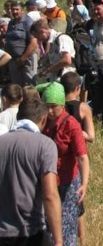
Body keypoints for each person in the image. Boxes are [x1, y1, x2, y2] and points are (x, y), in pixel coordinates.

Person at [0, 97, 63, 246]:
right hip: (31, 232)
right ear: (43, 119)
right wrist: (59, 240)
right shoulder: (45, 145)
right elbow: (50, 195)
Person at [40, 82, 89, 246]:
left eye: (53, 107)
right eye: (47, 107)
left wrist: (84, 183)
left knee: (67, 226)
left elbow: (82, 156)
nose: (50, 111)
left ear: (62, 105)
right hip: (48, 179)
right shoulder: (42, 123)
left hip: (68, 180)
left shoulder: (71, 124)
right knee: (48, 224)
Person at [32, 17, 76, 83]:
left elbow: (67, 60)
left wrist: (48, 70)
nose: (38, 40)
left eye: (37, 37)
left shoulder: (62, 38)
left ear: (42, 31)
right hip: (56, 80)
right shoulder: (52, 43)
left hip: (67, 79)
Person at [6, 0, 38, 86]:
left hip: (26, 59)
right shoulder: (11, 23)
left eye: (17, 9)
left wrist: (23, 59)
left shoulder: (28, 22)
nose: (14, 12)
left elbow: (34, 43)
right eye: (13, 9)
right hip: (13, 60)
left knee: (30, 86)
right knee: (16, 87)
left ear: (22, 10)